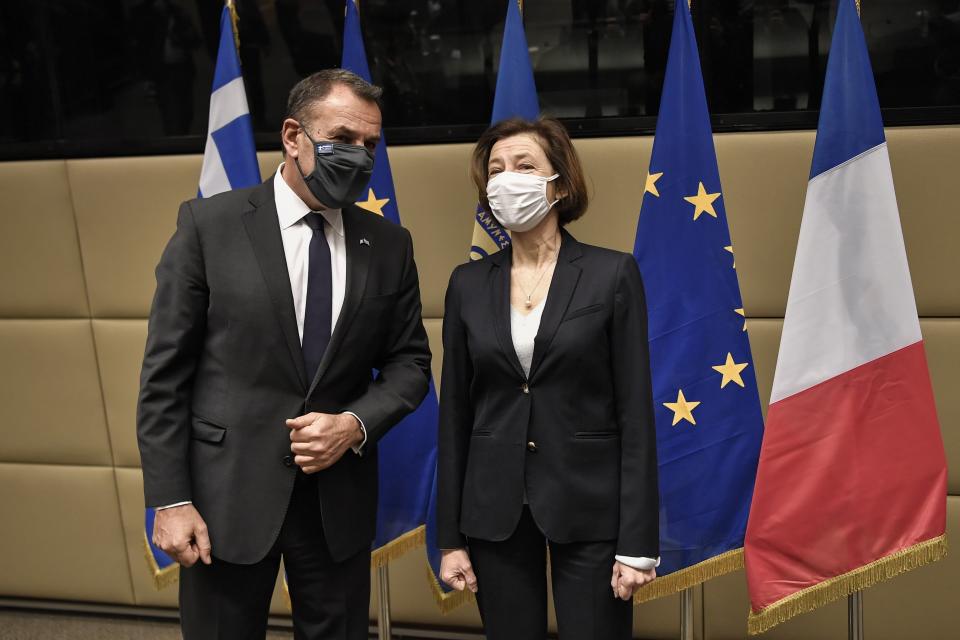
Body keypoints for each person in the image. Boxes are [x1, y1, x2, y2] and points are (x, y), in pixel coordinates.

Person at [137, 69, 431, 640]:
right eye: (343, 138)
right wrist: (170, 500)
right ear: (293, 136)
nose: (360, 156)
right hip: (225, 497)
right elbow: (164, 376)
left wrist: (354, 423)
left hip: (336, 500)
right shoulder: (210, 226)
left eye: (370, 145)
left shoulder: (389, 245)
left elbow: (410, 364)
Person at [437, 117, 659, 640]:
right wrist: (449, 538)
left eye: (523, 165)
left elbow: (636, 415)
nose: (506, 178)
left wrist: (637, 542)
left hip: (590, 509)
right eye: (495, 169)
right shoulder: (467, 283)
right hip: (495, 511)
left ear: (558, 183)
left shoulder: (612, 274)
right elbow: (455, 418)